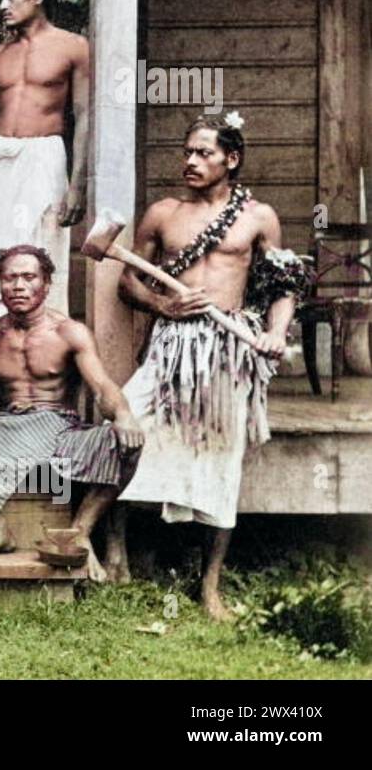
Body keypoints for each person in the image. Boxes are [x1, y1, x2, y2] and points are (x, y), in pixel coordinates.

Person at [113, 114, 307, 618]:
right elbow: (128, 283)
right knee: (125, 425)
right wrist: (164, 307)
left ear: (232, 159)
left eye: (204, 153)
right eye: (187, 152)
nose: (191, 162)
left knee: (222, 461)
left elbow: (283, 287)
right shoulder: (162, 213)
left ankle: (209, 586)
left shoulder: (258, 217)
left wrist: (273, 333)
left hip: (227, 351)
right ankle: (115, 551)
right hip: (170, 346)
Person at [0, 247, 143, 580]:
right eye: (10, 277)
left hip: (59, 433)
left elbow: (101, 386)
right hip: (6, 432)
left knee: (125, 441)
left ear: (46, 283)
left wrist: (124, 413)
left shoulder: (69, 332)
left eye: (28, 277)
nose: (18, 286)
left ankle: (79, 532)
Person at [0, 0, 88, 326]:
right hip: (0, 160)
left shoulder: (73, 46)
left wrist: (77, 185)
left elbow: (84, 115)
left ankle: (47, 347)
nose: (3, 5)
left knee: (44, 250)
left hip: (44, 157)